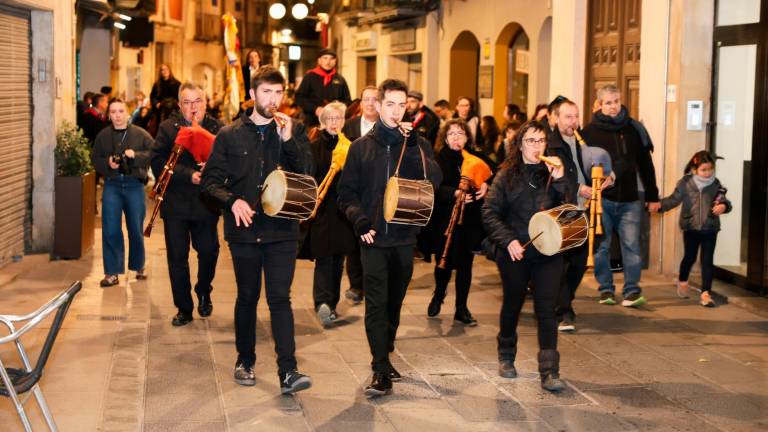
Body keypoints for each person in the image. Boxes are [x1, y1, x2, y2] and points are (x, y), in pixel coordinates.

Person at [201, 66, 313, 394]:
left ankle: (288, 370)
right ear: (253, 95)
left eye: (278, 93)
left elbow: (308, 174)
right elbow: (209, 182)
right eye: (266, 92)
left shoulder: (295, 130)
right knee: (247, 296)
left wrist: (290, 141)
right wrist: (231, 200)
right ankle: (245, 359)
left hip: (282, 230)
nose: (273, 99)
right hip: (244, 230)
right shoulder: (229, 135)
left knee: (280, 298)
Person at [337, 78, 442, 397]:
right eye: (391, 104)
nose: (397, 111)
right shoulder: (360, 148)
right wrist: (360, 221)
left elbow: (434, 180)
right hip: (372, 239)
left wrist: (414, 147)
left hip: (404, 238)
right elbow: (346, 195)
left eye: (402, 105)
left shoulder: (417, 145)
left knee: (394, 304)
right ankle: (379, 367)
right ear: (378, 106)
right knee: (377, 304)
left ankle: (386, 350)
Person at [482, 120, 570, 393]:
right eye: (530, 141)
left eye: (541, 141)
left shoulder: (554, 172)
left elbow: (567, 210)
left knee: (546, 308)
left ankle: (549, 370)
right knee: (513, 302)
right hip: (516, 250)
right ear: (519, 145)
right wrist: (508, 241)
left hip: (548, 250)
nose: (536, 146)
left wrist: (561, 180)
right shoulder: (506, 175)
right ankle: (506, 354)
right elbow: (489, 212)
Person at [151, 82, 223, 327]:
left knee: (209, 251)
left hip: (206, 204)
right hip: (176, 204)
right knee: (177, 258)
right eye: (187, 102)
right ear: (180, 105)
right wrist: (188, 174)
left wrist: (211, 169)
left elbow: (229, 161)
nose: (193, 107)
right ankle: (183, 307)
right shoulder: (168, 128)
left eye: (197, 101)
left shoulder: (217, 128)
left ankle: (204, 289)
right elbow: (157, 162)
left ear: (206, 102)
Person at [582, 84, 660, 308]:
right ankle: (605, 289)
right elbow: (584, 166)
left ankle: (632, 291)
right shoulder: (588, 133)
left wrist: (652, 196)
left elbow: (646, 165)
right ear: (599, 104)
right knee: (602, 246)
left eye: (616, 101)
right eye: (608, 102)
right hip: (601, 200)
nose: (614, 106)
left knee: (631, 246)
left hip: (629, 199)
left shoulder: (634, 129)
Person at [549, 99, 614, 332]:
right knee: (561, 262)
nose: (573, 121)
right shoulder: (551, 145)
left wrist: (608, 176)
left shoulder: (582, 141)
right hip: (562, 209)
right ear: (556, 118)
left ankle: (561, 303)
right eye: (568, 117)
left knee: (578, 263)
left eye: (576, 116)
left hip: (584, 209)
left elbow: (596, 165)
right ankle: (564, 310)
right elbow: (553, 177)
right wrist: (578, 188)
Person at [427, 119, 491, 326]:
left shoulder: (474, 157)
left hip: (470, 219)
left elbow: (495, 173)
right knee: (443, 261)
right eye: (452, 134)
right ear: (445, 138)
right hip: (444, 218)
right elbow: (433, 187)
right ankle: (438, 294)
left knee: (466, 264)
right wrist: (454, 193)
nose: (456, 138)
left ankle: (461, 308)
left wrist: (486, 185)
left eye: (461, 134)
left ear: (467, 138)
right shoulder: (438, 159)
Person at [92, 99, 153, 287]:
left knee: (135, 228)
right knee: (110, 228)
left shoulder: (141, 134)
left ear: (128, 113)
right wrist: (107, 163)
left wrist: (136, 156)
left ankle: (139, 264)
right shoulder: (103, 136)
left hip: (134, 185)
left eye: (120, 111)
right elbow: (95, 158)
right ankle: (112, 272)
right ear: (108, 115)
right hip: (112, 185)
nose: (117, 115)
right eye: (113, 112)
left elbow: (154, 154)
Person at [657, 151, 731, 307]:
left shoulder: (716, 184)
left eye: (710, 169)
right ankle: (683, 280)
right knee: (689, 257)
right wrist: (658, 206)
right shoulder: (685, 183)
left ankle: (706, 294)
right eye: (704, 170)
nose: (708, 173)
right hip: (691, 228)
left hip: (710, 228)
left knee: (707, 261)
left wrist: (724, 206)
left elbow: (724, 201)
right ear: (694, 169)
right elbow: (673, 200)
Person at [308, 102, 357, 326]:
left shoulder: (351, 147)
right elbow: (309, 176)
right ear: (323, 122)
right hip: (322, 210)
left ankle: (332, 304)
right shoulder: (315, 147)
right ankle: (321, 303)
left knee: (338, 259)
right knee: (323, 257)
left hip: (342, 211)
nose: (335, 123)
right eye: (330, 119)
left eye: (338, 118)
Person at [339, 86, 379, 303]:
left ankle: (372, 283)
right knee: (354, 241)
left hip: (377, 193)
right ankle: (356, 285)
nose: (370, 103)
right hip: (354, 190)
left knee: (374, 239)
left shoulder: (386, 127)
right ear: (360, 103)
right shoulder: (349, 127)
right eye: (366, 99)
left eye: (375, 99)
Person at [295, 48, 351, 127]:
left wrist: (338, 108)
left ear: (335, 61)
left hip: (334, 122)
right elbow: (299, 98)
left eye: (331, 59)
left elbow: (347, 101)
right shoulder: (309, 77)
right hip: (312, 121)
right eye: (325, 58)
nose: (328, 62)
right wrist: (315, 109)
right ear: (319, 60)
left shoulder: (340, 79)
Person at [150, 64, 182, 134]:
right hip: (161, 111)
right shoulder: (157, 84)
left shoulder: (177, 84)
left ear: (169, 70)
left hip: (173, 111)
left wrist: (177, 104)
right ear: (160, 72)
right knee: (162, 130)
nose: (164, 71)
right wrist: (156, 104)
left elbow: (180, 97)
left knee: (173, 130)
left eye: (166, 69)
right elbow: (153, 96)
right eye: (162, 70)